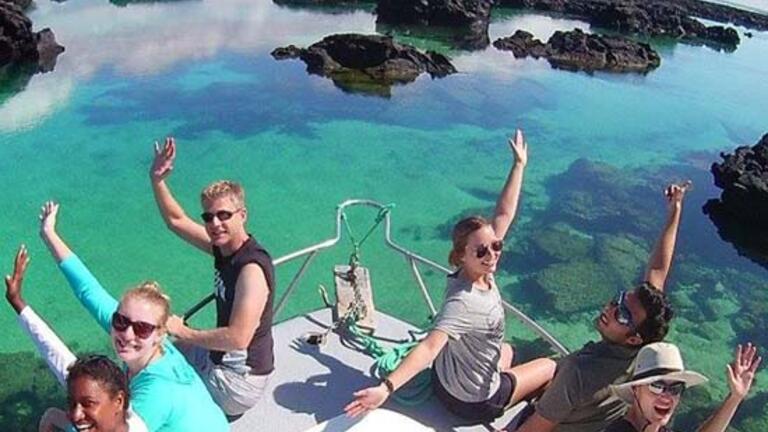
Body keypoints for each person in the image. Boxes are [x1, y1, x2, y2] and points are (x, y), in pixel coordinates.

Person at [345, 129, 557, 423]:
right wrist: (386, 388)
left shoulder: (467, 271)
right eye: (482, 251)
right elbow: (430, 347)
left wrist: (518, 165)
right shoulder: (463, 300)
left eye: (496, 246)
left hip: (446, 382)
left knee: (510, 350)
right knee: (551, 367)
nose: (492, 254)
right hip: (472, 402)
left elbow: (504, 214)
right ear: (461, 256)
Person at [38, 202, 230, 431]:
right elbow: (88, 291)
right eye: (121, 321)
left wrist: (54, 418)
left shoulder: (155, 392)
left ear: (159, 334)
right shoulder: (157, 350)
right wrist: (49, 234)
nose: (127, 334)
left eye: (141, 329)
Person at [512, 183, 688, 432]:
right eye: (618, 300)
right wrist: (675, 211)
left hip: (547, 419)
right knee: (548, 365)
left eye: (622, 314)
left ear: (634, 338)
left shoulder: (580, 373)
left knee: (530, 362)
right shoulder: (644, 355)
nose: (610, 309)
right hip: (575, 412)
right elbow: (658, 271)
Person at [149, 137, 275, 417]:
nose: (215, 223)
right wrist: (157, 180)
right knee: (156, 353)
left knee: (161, 390)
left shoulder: (251, 270)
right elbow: (177, 221)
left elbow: (239, 338)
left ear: (242, 215)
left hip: (238, 382)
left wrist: (183, 330)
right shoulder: (225, 248)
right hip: (221, 362)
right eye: (208, 217)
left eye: (223, 215)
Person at [4, 244, 147, 432]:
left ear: (119, 401)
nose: (76, 415)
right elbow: (54, 351)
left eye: (88, 404)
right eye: (72, 403)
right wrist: (17, 301)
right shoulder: (97, 396)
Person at [606, 342, 761, 432]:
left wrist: (734, 398)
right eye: (657, 386)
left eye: (675, 388)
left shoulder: (652, 426)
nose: (666, 396)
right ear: (635, 389)